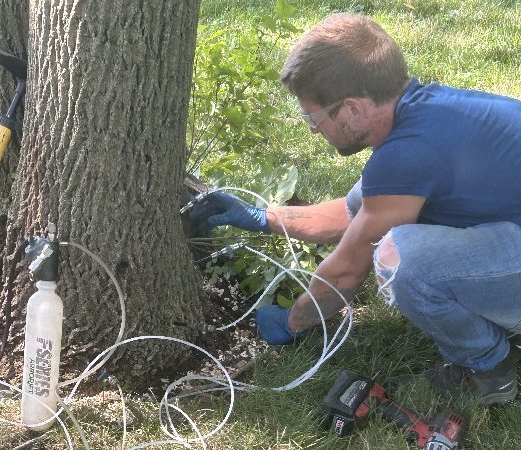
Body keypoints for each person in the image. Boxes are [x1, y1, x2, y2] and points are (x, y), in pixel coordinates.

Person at [189, 12, 521, 406]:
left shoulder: (410, 153)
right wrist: (263, 218)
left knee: (402, 259)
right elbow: (355, 215)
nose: (312, 128)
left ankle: (489, 365)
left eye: (312, 115)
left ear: (350, 109)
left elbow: (347, 270)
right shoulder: (424, 116)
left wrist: (294, 322)